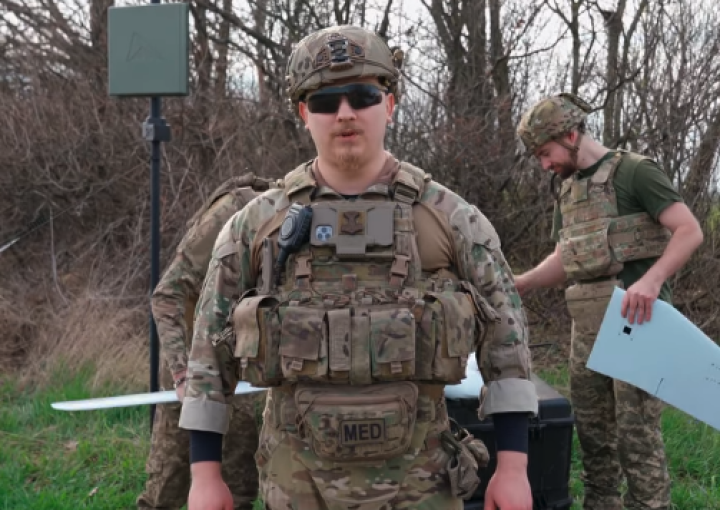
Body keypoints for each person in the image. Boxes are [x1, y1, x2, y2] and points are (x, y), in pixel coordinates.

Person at [180, 24, 539, 510]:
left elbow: (506, 340)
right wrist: (204, 475)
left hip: (422, 489)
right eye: (326, 101)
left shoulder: (451, 218)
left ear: (388, 104)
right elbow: (208, 350)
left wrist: (513, 467)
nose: (345, 113)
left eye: (363, 96)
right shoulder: (257, 225)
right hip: (298, 490)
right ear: (304, 114)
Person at [514, 93, 704, 510]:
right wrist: (523, 283)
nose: (544, 164)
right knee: (593, 437)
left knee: (637, 441)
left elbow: (689, 230)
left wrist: (652, 281)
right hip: (587, 328)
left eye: (545, 153)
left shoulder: (635, 172)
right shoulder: (569, 190)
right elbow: (566, 257)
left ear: (570, 135)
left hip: (639, 325)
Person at [137, 173, 281, 510]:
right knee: (168, 490)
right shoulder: (233, 212)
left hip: (242, 374)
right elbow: (167, 295)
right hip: (192, 370)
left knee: (237, 492)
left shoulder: (306, 218)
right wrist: (181, 374)